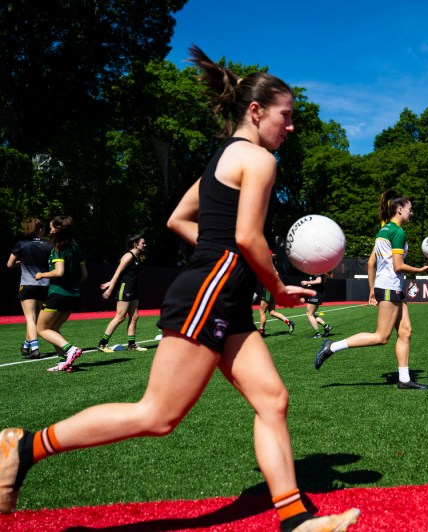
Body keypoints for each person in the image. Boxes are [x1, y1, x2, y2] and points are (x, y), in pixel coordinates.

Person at [0, 45, 359, 531]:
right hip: (209, 290)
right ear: (255, 111)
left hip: (219, 290)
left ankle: (294, 519)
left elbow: (178, 218)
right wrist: (273, 286)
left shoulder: (221, 159)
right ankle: (25, 447)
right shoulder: (258, 159)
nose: (291, 127)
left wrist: (226, 259)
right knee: (158, 415)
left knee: (272, 400)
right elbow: (248, 237)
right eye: (286, 116)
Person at [314, 190, 428, 390]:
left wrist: (372, 289)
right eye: (409, 209)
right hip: (390, 288)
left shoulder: (383, 231)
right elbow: (398, 266)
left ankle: (404, 379)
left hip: (388, 287)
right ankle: (331, 347)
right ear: (399, 209)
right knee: (381, 337)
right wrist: (420, 270)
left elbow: (371, 263)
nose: (411, 213)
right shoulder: (398, 232)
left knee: (405, 331)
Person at [34, 215, 88, 372]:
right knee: (54, 328)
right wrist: (71, 286)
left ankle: (71, 349)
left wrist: (41, 275)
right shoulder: (76, 247)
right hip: (73, 295)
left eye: (51, 227)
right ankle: (63, 362)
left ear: (58, 229)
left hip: (58, 294)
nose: (49, 230)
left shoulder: (58, 247)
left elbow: (59, 272)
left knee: (42, 329)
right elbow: (84, 276)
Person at [6, 217, 52, 359]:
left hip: (27, 285)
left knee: (30, 318)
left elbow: (9, 264)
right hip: (45, 285)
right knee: (35, 319)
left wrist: (19, 264)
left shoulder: (22, 244)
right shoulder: (49, 245)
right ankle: (26, 346)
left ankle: (34, 348)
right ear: (40, 229)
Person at [97, 235, 148, 352]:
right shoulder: (128, 256)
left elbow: (125, 273)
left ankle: (132, 345)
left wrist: (109, 283)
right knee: (120, 317)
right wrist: (110, 289)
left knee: (135, 316)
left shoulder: (138, 256)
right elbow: (118, 272)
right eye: (143, 243)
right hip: (125, 289)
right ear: (135, 244)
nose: (145, 245)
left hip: (133, 289)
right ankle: (102, 344)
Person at [301, 273, 332, 338]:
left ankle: (318, 334)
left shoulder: (316, 270)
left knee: (309, 314)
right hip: (318, 294)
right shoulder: (316, 270)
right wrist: (309, 284)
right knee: (311, 314)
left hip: (315, 295)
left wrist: (307, 282)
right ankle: (326, 326)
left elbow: (319, 281)